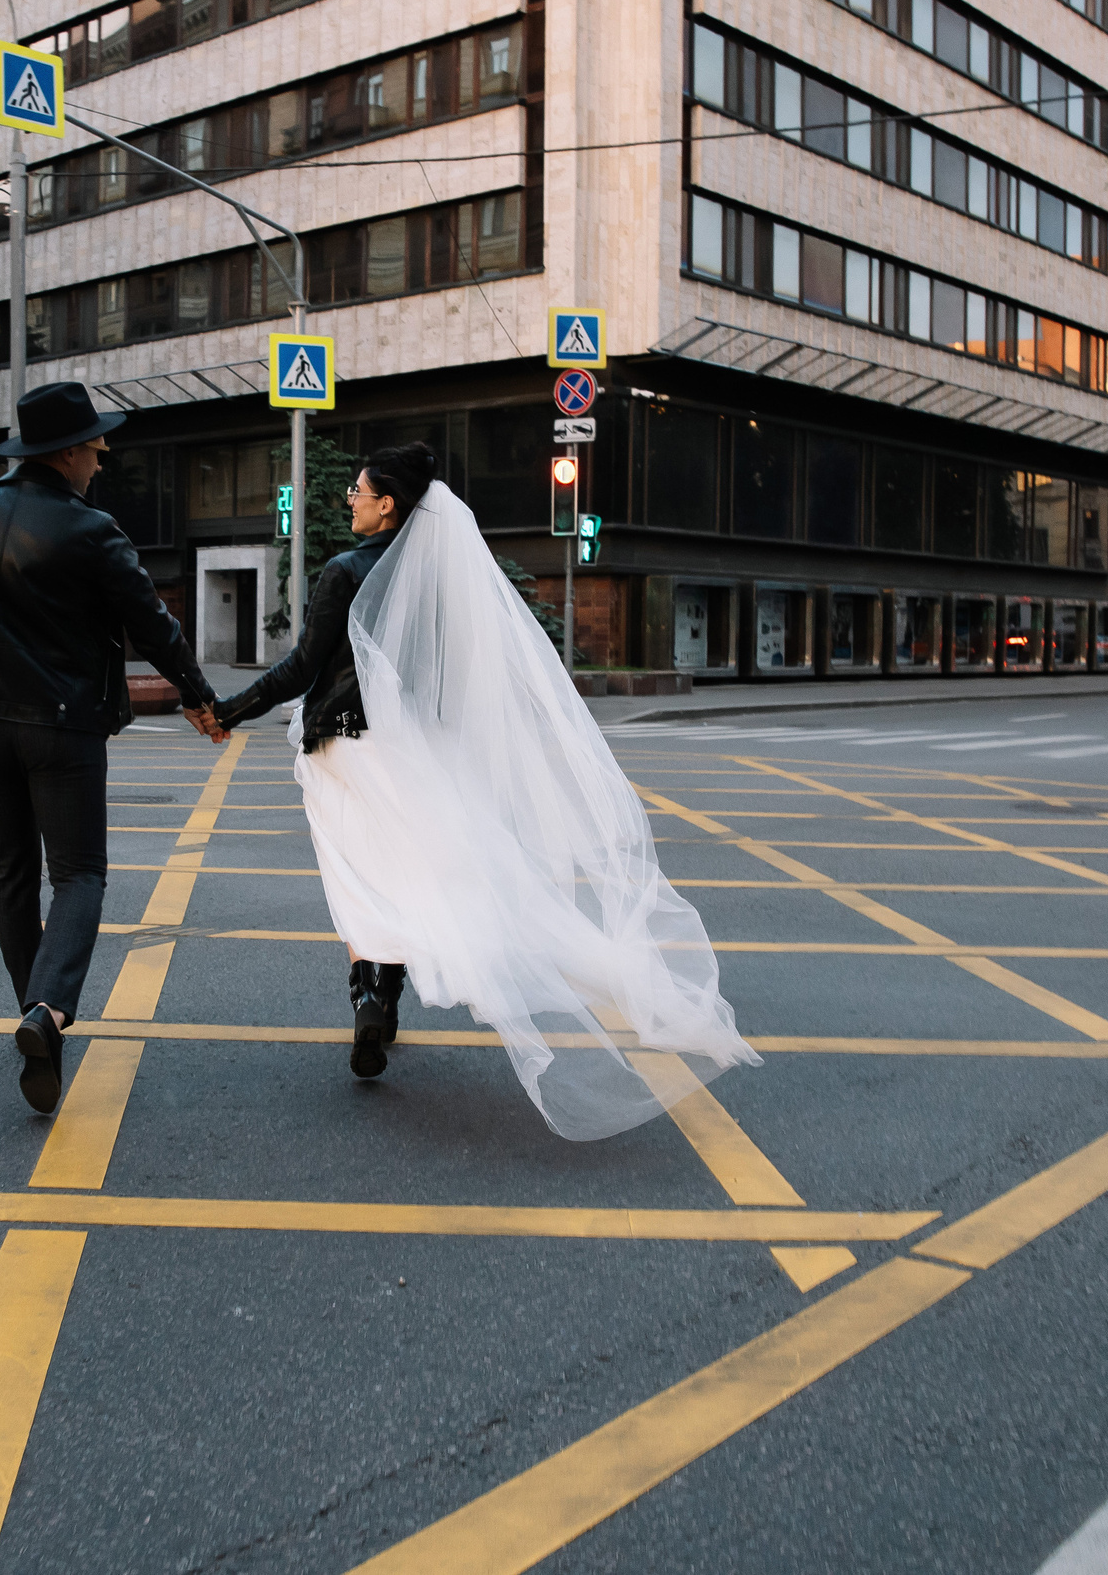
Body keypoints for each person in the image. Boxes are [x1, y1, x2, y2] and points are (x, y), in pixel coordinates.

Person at [215, 443, 757, 1139]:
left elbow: (300, 668)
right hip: (417, 754)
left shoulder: (344, 572)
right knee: (423, 877)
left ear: (388, 504)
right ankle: (391, 992)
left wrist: (226, 709)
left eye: (357, 490)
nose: (347, 498)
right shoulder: (443, 580)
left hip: (345, 747)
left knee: (358, 879)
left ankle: (372, 993)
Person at [0, 382, 226, 1116]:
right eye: (97, 450)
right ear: (68, 452)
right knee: (79, 876)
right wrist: (200, 698)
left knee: (12, 869)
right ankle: (47, 1012)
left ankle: (35, 1017)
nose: (101, 464)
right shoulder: (92, 531)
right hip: (64, 726)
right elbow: (154, 626)